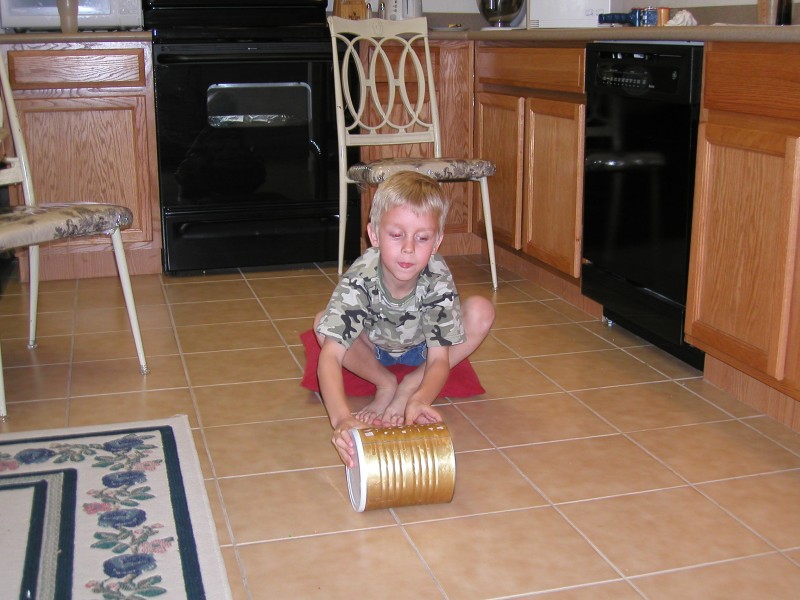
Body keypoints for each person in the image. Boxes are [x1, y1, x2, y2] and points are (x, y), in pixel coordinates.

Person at [314, 171, 495, 467]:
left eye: (422, 238)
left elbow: (438, 359)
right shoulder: (360, 276)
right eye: (396, 235)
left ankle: (407, 385)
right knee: (323, 324)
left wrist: (420, 397)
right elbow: (331, 356)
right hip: (372, 347)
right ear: (374, 235)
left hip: (421, 350)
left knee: (481, 310)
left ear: (436, 241)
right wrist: (342, 419)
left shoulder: (436, 276)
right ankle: (385, 383)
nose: (409, 248)